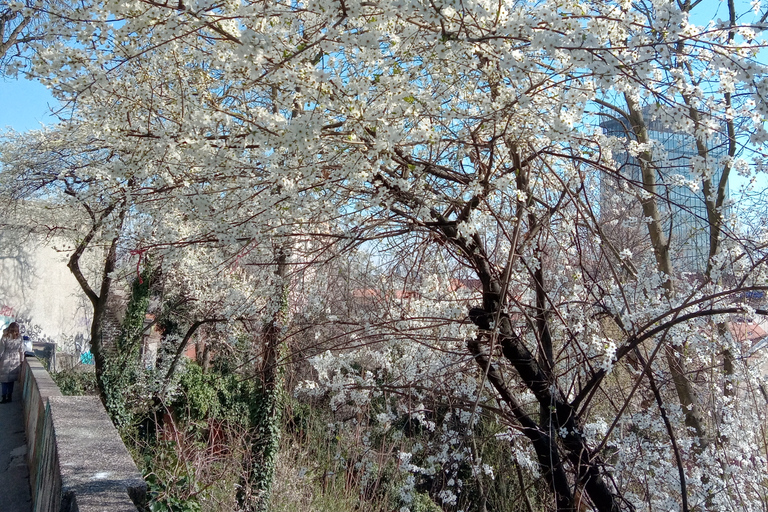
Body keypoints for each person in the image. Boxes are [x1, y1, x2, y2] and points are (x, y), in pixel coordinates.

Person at [0, 322, 24, 403]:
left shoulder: (5, 337)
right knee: (11, 381)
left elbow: (1, 350)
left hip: (5, 359)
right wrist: (22, 360)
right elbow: (21, 351)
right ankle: (9, 397)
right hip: (15, 359)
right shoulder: (19, 337)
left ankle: (3, 398)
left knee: (4, 380)